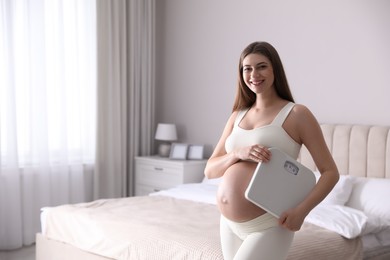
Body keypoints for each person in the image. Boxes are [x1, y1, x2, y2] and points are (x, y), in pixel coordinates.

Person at [204, 41, 339, 260]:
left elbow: (330, 173)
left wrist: (301, 212)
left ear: (275, 68)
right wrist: (237, 154)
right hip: (228, 223)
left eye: (261, 66)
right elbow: (210, 170)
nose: (254, 74)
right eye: (247, 68)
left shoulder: (297, 114)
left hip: (269, 224)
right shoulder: (237, 115)